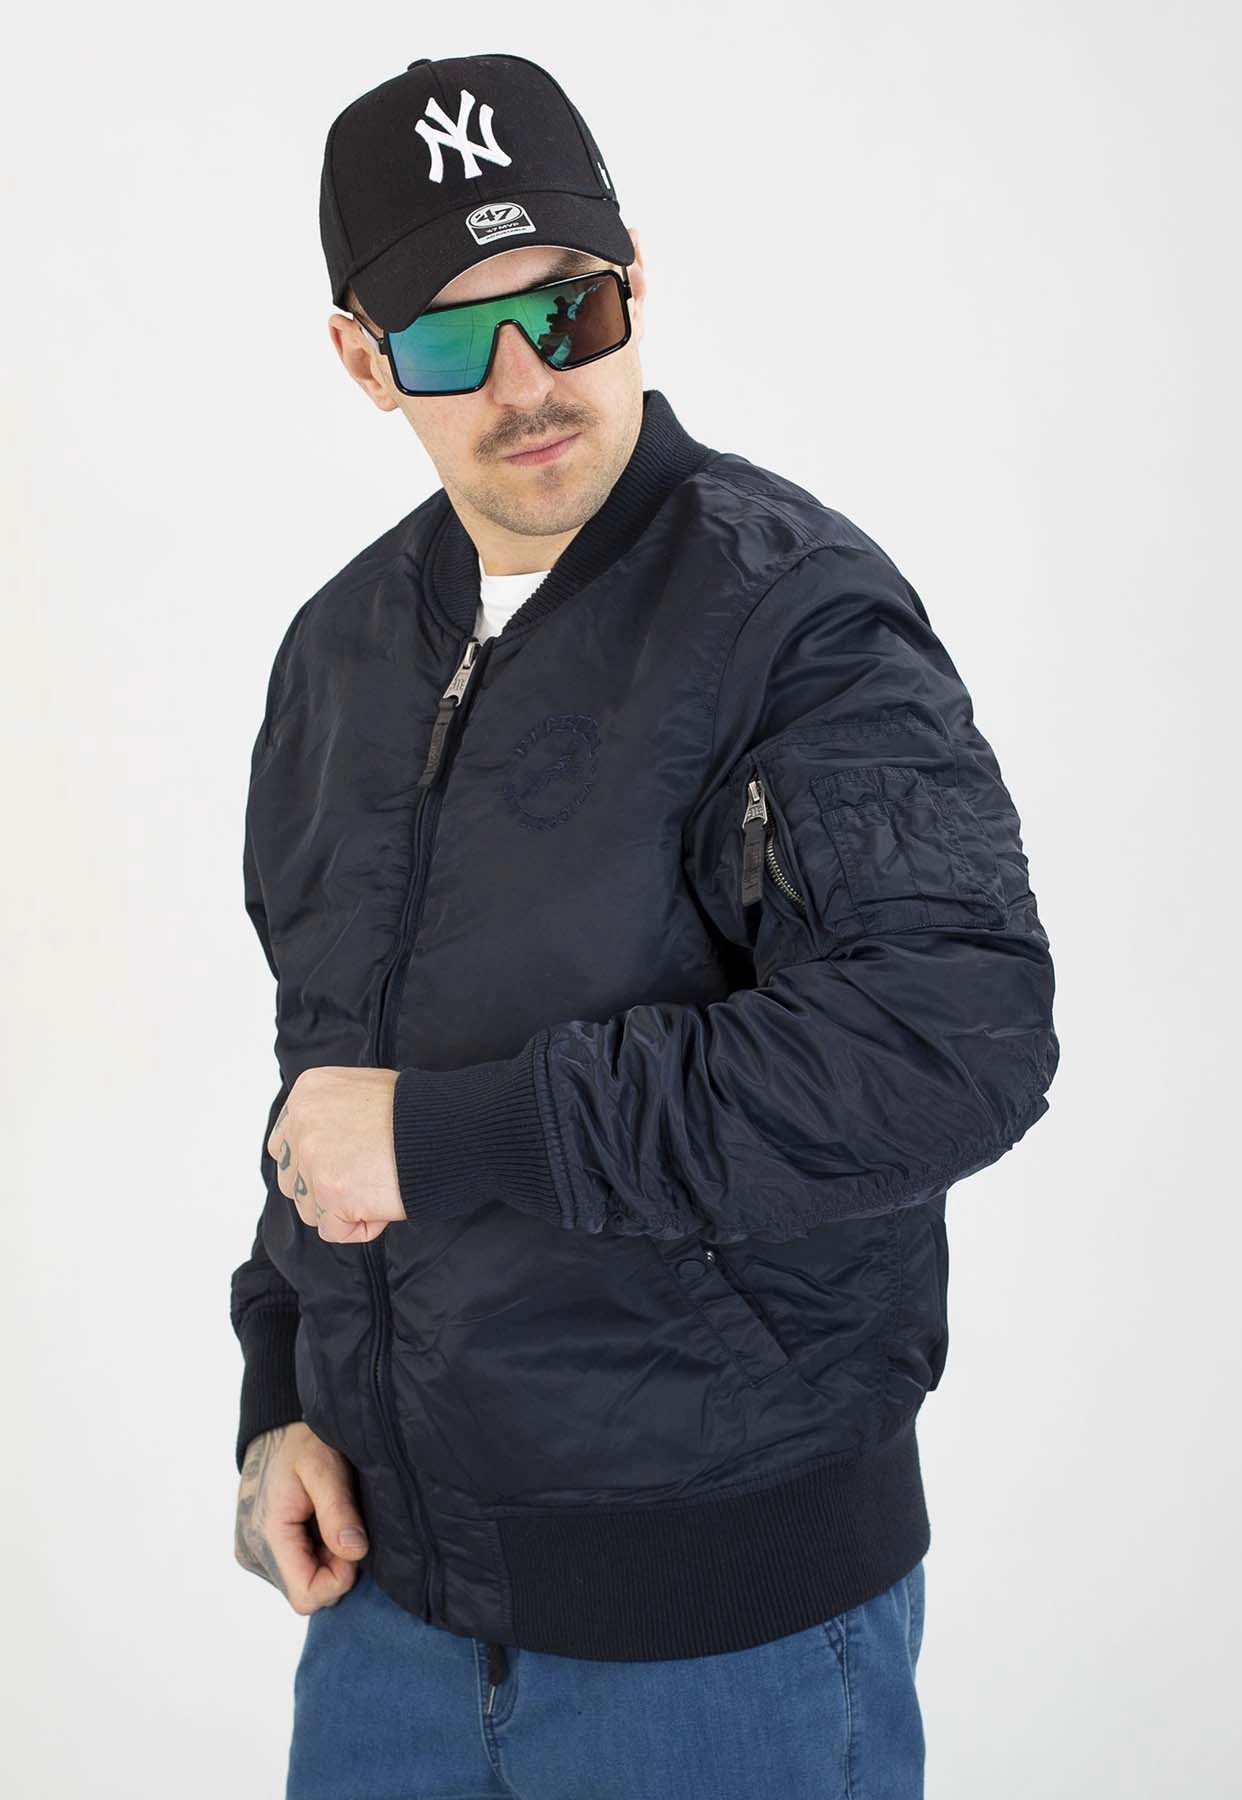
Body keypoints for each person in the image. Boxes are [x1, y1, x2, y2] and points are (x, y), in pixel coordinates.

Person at [229, 51, 1059, 1800]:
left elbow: (945, 1046)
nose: (527, 382)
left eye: (567, 306)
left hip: (722, 1643)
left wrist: (448, 1138)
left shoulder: (795, 616)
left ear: (633, 289)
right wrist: (281, 1390)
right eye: (451, 339)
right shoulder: (339, 651)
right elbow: (327, 1065)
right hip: (385, 1609)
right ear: (362, 361)